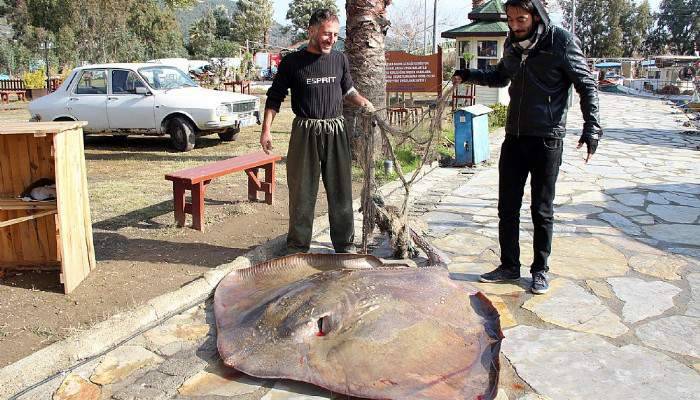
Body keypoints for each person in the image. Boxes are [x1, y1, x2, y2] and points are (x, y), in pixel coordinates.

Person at [452, 0, 602, 294]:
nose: (515, 26)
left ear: (536, 16)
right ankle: (509, 266)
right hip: (515, 137)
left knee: (541, 210)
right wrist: (467, 73)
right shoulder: (512, 42)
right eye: (511, 20)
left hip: (547, 138)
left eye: (521, 19)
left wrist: (591, 127)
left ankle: (540, 270)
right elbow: (499, 77)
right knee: (507, 206)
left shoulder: (561, 42)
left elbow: (587, 85)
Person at [260, 8, 374, 255]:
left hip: (336, 130)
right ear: (311, 31)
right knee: (302, 190)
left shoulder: (339, 59)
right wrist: (266, 130)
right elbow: (274, 98)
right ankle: (298, 246)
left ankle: (345, 246)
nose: (331, 40)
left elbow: (348, 91)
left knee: (341, 189)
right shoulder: (292, 62)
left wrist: (363, 102)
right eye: (326, 34)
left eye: (335, 35)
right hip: (305, 132)